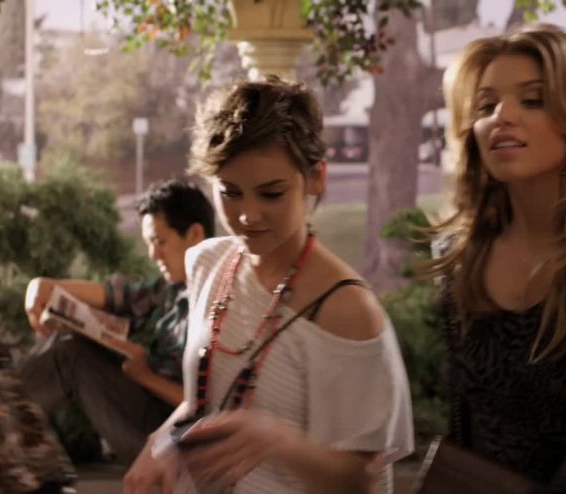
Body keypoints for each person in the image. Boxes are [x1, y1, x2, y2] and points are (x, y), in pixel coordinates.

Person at [122, 76, 414, 494]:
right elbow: (201, 403)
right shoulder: (209, 263)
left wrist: (275, 439)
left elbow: (362, 480)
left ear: (316, 178)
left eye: (271, 193)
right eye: (230, 192)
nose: (248, 215)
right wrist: (160, 444)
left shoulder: (346, 310)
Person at [426, 24, 566, 493]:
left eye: (532, 100)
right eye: (485, 105)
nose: (502, 116)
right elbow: (464, 426)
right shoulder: (458, 257)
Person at [21, 179, 215, 464]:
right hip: (144, 412)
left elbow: (214, 407)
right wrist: (44, 287)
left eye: (160, 242)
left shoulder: (219, 303)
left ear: (195, 234)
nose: (153, 255)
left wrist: (146, 376)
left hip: (178, 441)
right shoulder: (169, 290)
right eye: (149, 244)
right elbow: (111, 296)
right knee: (67, 338)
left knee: (70, 354)